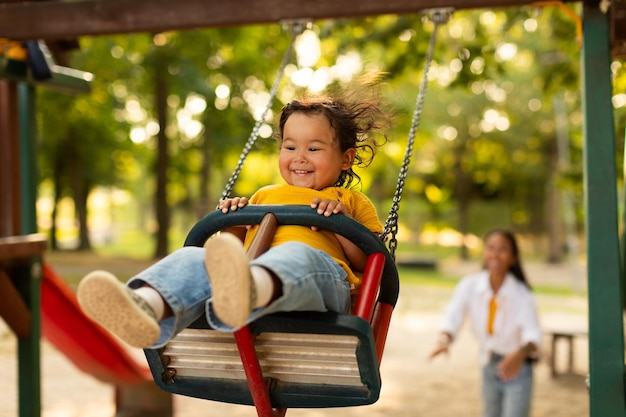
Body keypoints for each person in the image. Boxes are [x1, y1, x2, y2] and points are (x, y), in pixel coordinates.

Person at [76, 89, 390, 350]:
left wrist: (343, 224)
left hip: (325, 288)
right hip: (250, 276)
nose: (299, 156)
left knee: (295, 255)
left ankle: (249, 289)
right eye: (290, 146)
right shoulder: (264, 196)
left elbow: (369, 262)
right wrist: (236, 221)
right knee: (193, 257)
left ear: (346, 158)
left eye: (314, 148)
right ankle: (145, 306)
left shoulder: (349, 201)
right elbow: (229, 255)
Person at [429, 229, 542, 417]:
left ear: (513, 258)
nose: (495, 254)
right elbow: (454, 314)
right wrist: (445, 339)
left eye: (503, 249)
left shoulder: (522, 294)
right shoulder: (470, 285)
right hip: (489, 363)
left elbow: (533, 333)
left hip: (516, 367)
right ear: (484, 253)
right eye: (491, 248)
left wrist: (520, 354)